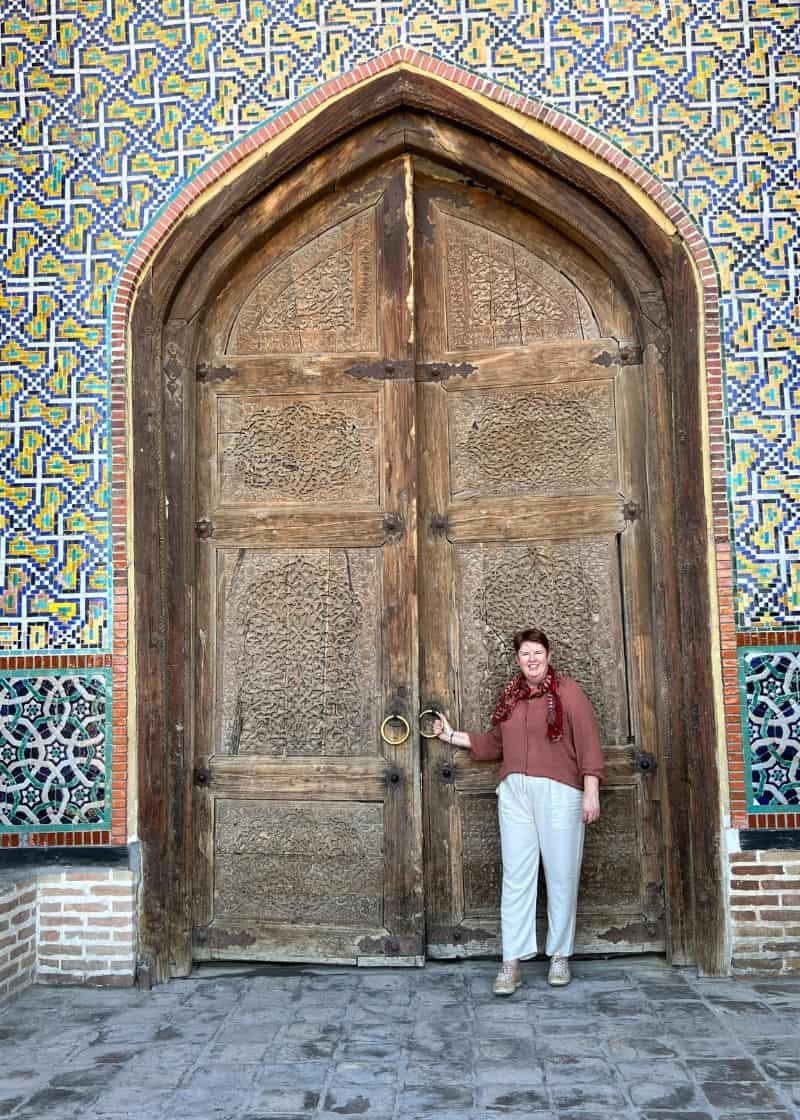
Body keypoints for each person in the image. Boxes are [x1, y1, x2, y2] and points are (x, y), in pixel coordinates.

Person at [432, 627, 603, 994]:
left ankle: (559, 956)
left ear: (549, 655)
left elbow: (589, 742)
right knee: (516, 877)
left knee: (561, 876)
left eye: (537, 652)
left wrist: (591, 792)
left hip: (560, 793)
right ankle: (511, 962)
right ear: (517, 659)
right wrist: (450, 736)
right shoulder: (511, 697)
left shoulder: (568, 693)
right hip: (515, 793)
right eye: (525, 653)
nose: (532, 659)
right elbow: (495, 743)